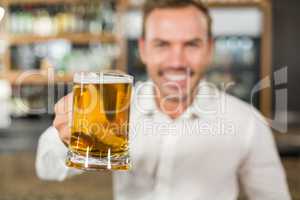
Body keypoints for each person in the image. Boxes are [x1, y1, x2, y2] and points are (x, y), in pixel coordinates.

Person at [35, 0, 291, 199]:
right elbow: (46, 169)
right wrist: (66, 137)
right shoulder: (111, 108)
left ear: (209, 49)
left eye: (191, 44)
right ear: (144, 49)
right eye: (162, 44)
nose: (177, 61)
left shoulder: (246, 122)